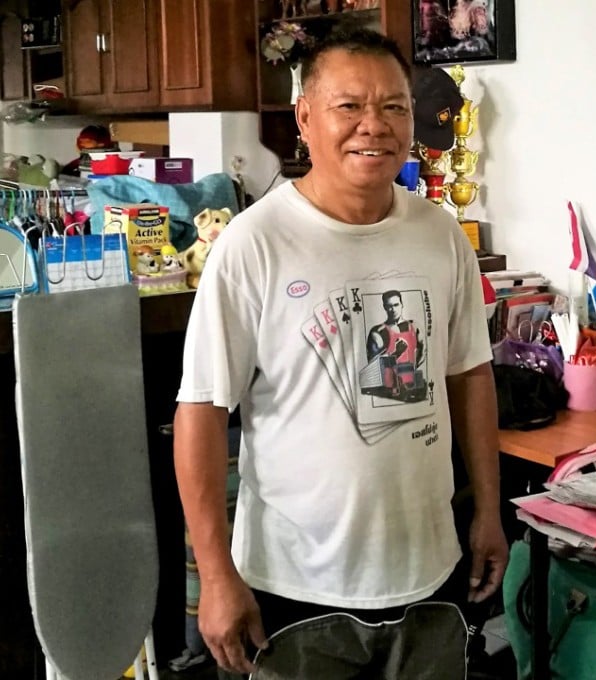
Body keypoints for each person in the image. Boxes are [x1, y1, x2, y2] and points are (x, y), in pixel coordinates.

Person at [173, 27, 507, 677]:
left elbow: (469, 373)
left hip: (429, 575)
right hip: (299, 588)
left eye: (393, 106)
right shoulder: (255, 244)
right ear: (305, 117)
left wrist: (489, 511)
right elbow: (202, 411)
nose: (372, 126)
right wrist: (216, 577)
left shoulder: (438, 232)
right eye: (348, 105)